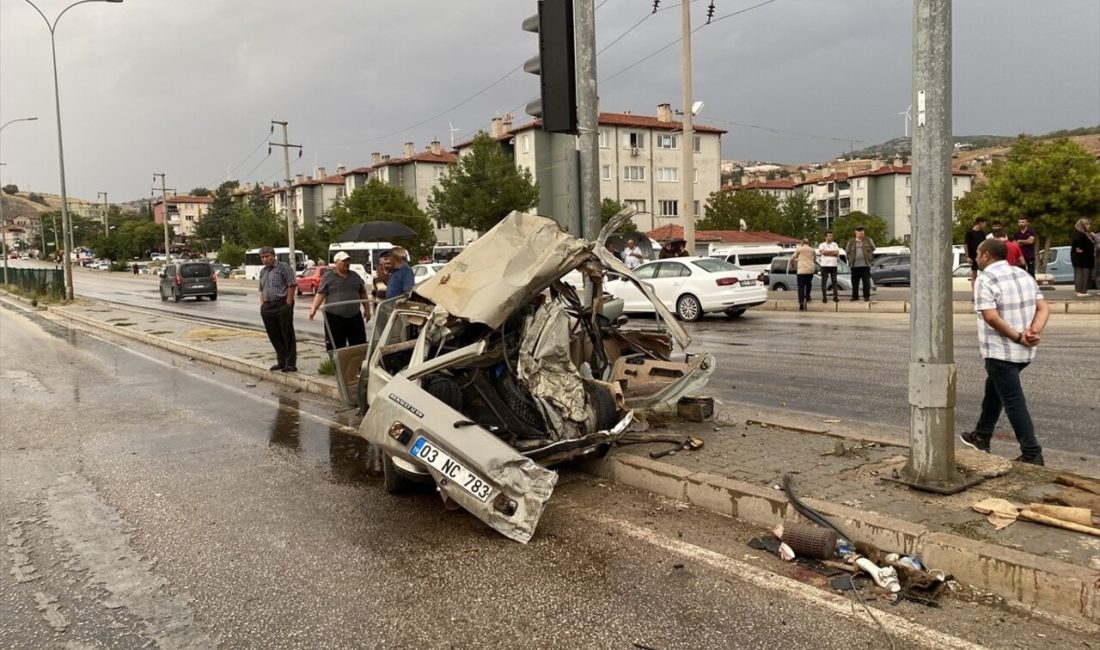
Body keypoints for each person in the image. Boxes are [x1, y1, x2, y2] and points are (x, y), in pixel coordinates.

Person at [959, 239, 1050, 465]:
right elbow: (1043, 307)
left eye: (977, 254)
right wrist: (1033, 332)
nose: (975, 258)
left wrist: (1018, 337)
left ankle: (1031, 453)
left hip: (1001, 352)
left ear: (987, 255)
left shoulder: (985, 279)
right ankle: (982, 435)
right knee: (994, 390)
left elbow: (990, 316)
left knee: (1013, 401)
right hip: (1024, 353)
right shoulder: (1023, 275)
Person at [308, 252, 369, 350]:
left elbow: (363, 292)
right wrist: (313, 309)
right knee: (336, 346)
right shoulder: (328, 277)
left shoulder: (355, 276)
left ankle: (357, 364)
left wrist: (367, 310)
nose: (347, 263)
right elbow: (320, 294)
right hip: (334, 318)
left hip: (354, 317)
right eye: (344, 261)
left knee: (359, 344)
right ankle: (338, 365)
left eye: (348, 261)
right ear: (336, 263)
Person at [257, 246, 297, 372]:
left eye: (267, 256)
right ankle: (281, 361)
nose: (265, 259)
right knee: (274, 335)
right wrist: (262, 305)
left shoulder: (283, 267)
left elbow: (291, 285)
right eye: (262, 257)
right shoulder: (263, 271)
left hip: (282, 305)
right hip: (268, 307)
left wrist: (288, 303)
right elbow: (261, 289)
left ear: (274, 256)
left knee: (287, 333)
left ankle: (290, 363)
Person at [844, 226, 875, 301]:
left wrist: (869, 254)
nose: (861, 234)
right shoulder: (851, 242)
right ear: (856, 233)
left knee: (866, 282)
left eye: (862, 232)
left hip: (865, 265)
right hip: (854, 265)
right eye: (860, 232)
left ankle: (866, 296)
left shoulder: (868, 240)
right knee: (855, 282)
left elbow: (873, 248)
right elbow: (847, 250)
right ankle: (855, 296)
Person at [1070, 218, 1096, 298]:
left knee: (1083, 275)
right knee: (1081, 275)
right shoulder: (1080, 234)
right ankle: (1080, 291)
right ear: (1083, 225)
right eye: (1087, 224)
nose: (1089, 226)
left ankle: (1082, 291)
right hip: (1082, 260)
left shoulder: (1084, 234)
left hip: (1084, 259)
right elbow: (1081, 245)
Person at [788, 238, 816, 311]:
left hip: (801, 271)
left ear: (802, 243)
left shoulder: (799, 249)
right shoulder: (812, 250)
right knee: (808, 284)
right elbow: (814, 260)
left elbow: (792, 258)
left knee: (801, 286)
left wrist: (793, 265)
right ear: (808, 243)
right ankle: (808, 297)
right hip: (810, 270)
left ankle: (801, 302)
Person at [817, 230, 840, 303]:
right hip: (825, 266)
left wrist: (827, 253)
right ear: (825, 237)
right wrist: (832, 253)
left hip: (833, 265)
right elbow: (822, 252)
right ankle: (824, 297)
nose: (831, 237)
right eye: (829, 236)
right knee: (824, 282)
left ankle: (835, 297)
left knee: (834, 281)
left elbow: (837, 253)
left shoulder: (835, 244)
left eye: (832, 236)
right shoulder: (822, 244)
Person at [964, 217, 987, 284]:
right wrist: (967, 257)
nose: (985, 225)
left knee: (985, 273)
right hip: (973, 256)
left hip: (982, 256)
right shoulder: (969, 233)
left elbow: (984, 243)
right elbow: (966, 245)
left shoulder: (982, 233)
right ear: (980, 223)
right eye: (984, 223)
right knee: (974, 275)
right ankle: (974, 292)